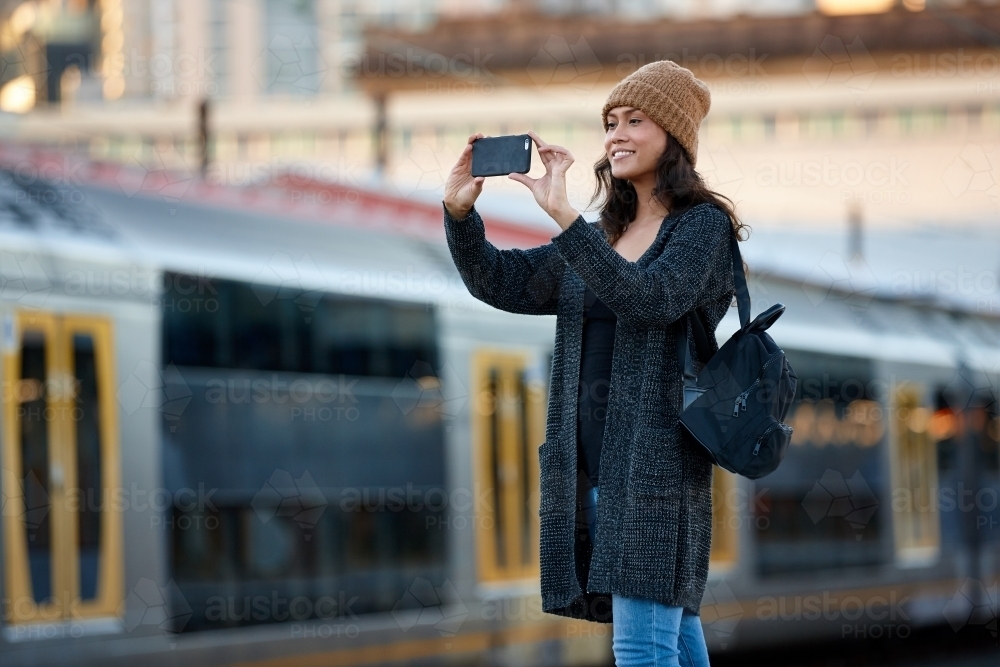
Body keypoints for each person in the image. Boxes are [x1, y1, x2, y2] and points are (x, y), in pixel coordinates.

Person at [441, 60, 747, 667]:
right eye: (610, 122)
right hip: (589, 472)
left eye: (636, 120)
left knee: (640, 651)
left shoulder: (701, 229)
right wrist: (459, 215)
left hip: (655, 471)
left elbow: (651, 299)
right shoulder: (604, 235)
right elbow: (504, 283)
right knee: (676, 643)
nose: (617, 135)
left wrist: (564, 218)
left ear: (675, 137)